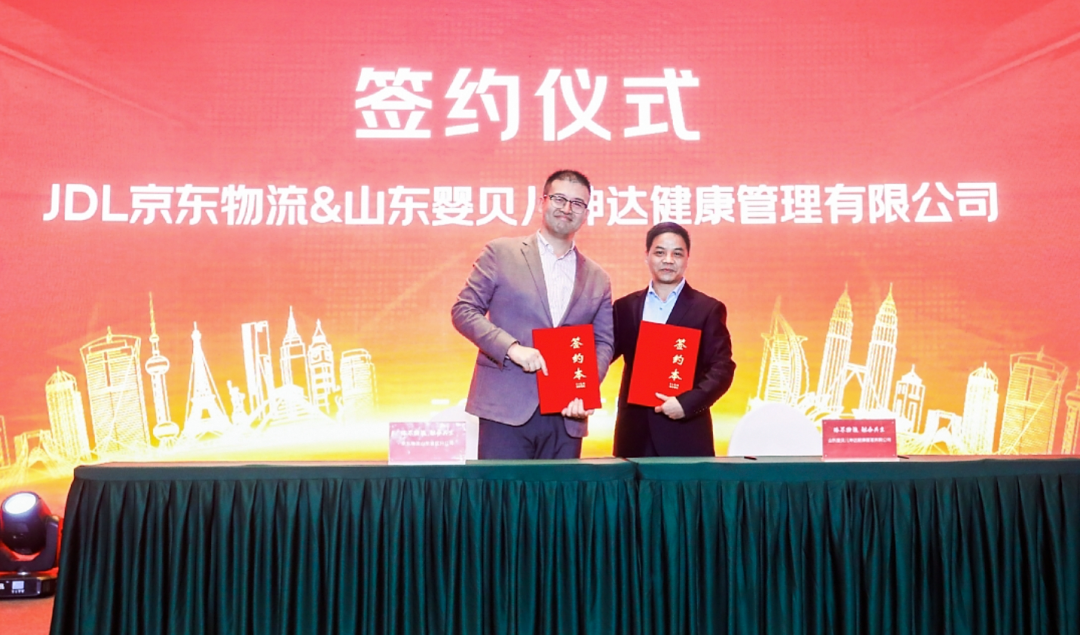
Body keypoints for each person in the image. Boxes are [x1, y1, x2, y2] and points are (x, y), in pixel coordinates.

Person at [452, 169, 614, 459]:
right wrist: (511, 348)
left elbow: (603, 343)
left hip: (567, 414)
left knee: (560, 491)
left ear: (586, 213)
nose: (567, 208)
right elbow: (463, 310)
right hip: (505, 406)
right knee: (503, 489)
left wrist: (585, 390)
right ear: (543, 202)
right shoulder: (501, 253)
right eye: (559, 199)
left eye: (577, 203)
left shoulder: (598, 277)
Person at [611, 222, 735, 457]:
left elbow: (722, 369)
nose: (668, 260)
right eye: (660, 252)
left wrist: (687, 404)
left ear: (687, 259)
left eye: (677, 254)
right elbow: (601, 352)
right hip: (634, 433)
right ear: (647, 256)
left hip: (685, 431)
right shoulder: (625, 307)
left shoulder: (707, 309)